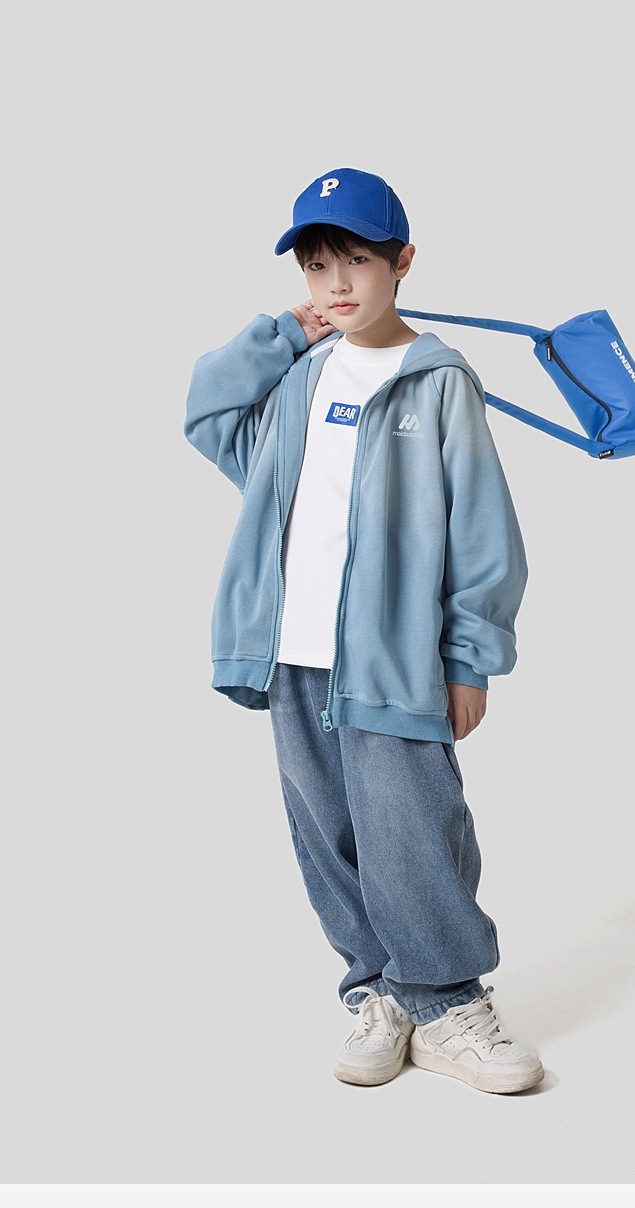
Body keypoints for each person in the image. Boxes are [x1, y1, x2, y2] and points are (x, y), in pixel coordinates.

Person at [184, 167, 545, 1094]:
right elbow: (209, 409)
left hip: (393, 660)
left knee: (413, 830)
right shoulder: (300, 380)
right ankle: (379, 991)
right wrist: (280, 334)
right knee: (329, 834)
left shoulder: (439, 383)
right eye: (316, 267)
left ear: (402, 262)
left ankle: (448, 1001)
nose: (336, 284)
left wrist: (470, 658)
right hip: (290, 655)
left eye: (355, 261)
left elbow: (483, 532)